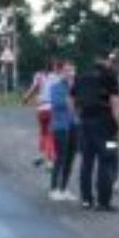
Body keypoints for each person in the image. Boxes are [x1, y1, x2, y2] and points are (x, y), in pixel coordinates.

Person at [72, 51, 119, 211]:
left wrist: (79, 117)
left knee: (87, 162)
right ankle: (103, 202)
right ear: (107, 60)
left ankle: (86, 199)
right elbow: (115, 103)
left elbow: (71, 99)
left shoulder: (81, 76)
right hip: (107, 127)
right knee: (108, 161)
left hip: (85, 124)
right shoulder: (110, 75)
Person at [46, 62, 79, 200]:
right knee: (60, 157)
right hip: (60, 126)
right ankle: (53, 189)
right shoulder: (55, 87)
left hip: (74, 126)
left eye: (72, 71)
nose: (69, 73)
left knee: (70, 158)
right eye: (66, 71)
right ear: (61, 73)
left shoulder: (77, 88)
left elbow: (80, 105)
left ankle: (64, 188)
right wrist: (70, 99)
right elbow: (57, 104)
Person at [20, 59, 60, 168]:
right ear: (54, 68)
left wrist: (25, 99)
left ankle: (42, 155)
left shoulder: (38, 75)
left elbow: (33, 89)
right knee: (50, 134)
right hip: (52, 108)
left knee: (43, 133)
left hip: (41, 109)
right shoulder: (57, 77)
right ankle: (50, 161)